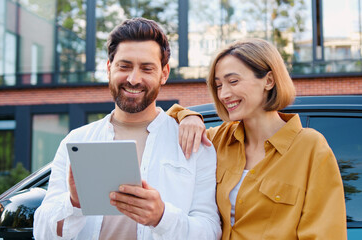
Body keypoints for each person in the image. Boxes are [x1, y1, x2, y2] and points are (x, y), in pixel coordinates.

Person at [33, 17, 221, 240]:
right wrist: (73, 202)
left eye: (147, 68)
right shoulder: (77, 140)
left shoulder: (195, 144)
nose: (133, 79)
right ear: (109, 68)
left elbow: (211, 231)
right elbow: (43, 233)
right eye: (125, 66)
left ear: (164, 73)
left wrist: (162, 217)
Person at [167, 38, 347, 239]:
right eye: (218, 85)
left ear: (268, 81)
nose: (224, 94)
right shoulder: (215, 140)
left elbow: (325, 233)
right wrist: (187, 115)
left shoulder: (310, 148)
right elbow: (158, 130)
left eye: (233, 81)